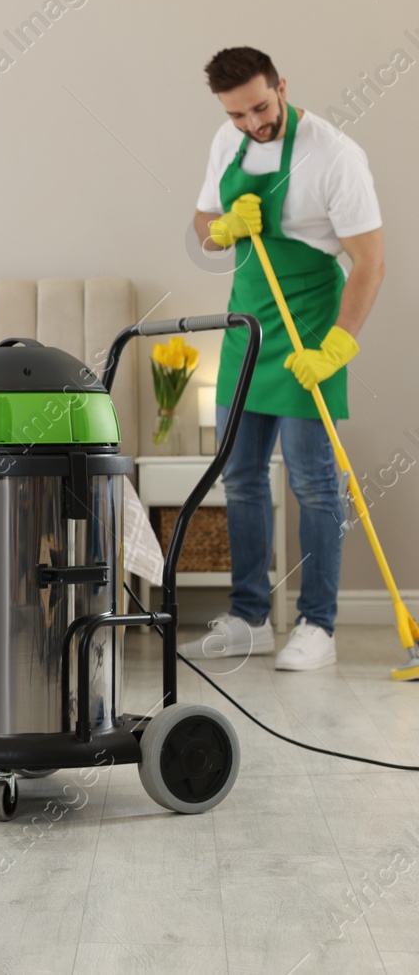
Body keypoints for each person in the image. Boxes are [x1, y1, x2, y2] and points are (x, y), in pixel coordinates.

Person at [180, 47, 385, 671]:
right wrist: (221, 230)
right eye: (238, 115)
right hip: (248, 329)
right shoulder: (228, 139)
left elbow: (370, 263)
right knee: (240, 478)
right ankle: (248, 619)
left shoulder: (335, 155)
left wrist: (338, 347)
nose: (252, 125)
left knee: (314, 482)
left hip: (310, 331)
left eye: (261, 108)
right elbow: (201, 223)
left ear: (282, 87)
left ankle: (317, 626)